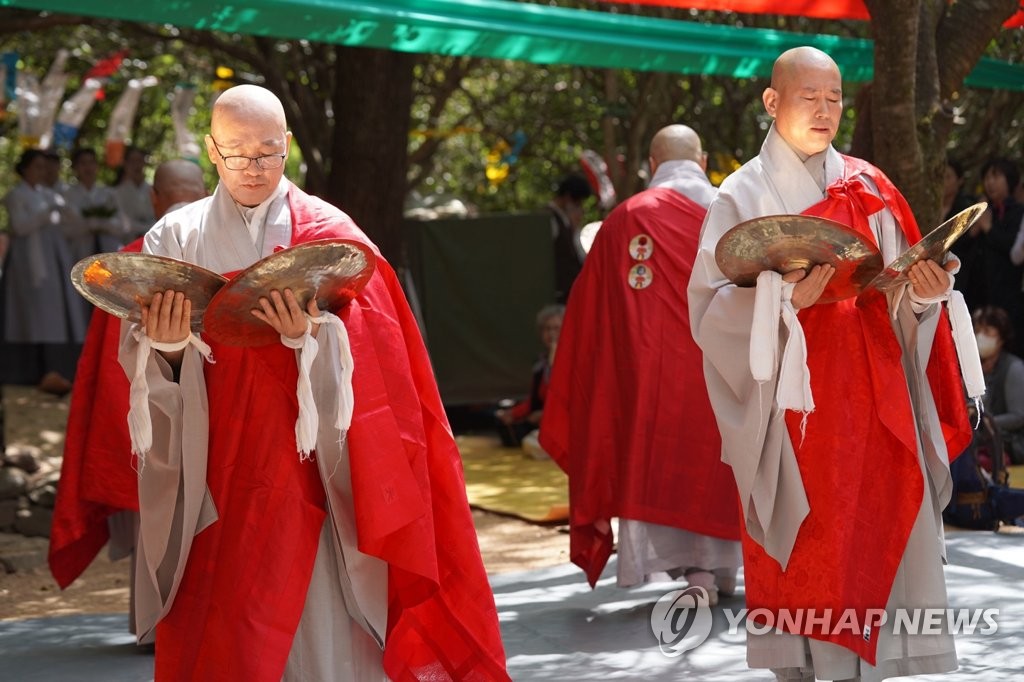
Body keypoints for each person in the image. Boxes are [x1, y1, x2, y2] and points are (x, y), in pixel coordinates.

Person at [117, 85, 508, 681]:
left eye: (269, 152)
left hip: (317, 470)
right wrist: (167, 347)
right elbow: (143, 358)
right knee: (233, 629)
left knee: (327, 635)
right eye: (238, 151)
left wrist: (314, 341)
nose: (254, 167)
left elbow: (384, 360)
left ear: (289, 148)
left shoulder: (329, 233)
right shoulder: (175, 238)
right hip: (219, 464)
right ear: (212, 152)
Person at [687, 47, 974, 681]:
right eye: (808, 98)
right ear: (772, 101)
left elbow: (902, 287)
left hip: (873, 400)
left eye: (835, 99)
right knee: (812, 556)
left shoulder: (869, 187)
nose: (824, 112)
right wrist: (782, 299)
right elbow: (709, 313)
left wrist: (926, 295)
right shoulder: (741, 194)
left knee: (875, 535)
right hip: (794, 413)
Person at [540, 124, 741, 600]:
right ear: (704, 160)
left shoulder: (626, 219)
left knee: (664, 463)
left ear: (653, 164)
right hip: (726, 374)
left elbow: (589, 316)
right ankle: (721, 569)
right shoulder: (735, 212)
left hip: (651, 380)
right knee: (722, 462)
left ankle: (696, 572)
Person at [48, 159, 209, 629]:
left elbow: (104, 368)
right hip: (201, 409)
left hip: (144, 411)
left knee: (153, 512)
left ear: (155, 199)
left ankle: (154, 626)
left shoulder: (122, 264)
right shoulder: (219, 260)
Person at [0, 148, 86, 395]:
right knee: (28, 314)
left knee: (50, 315)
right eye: (37, 167)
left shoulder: (48, 194)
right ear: (25, 169)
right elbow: (20, 225)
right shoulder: (17, 195)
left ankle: (52, 369)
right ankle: (26, 370)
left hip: (51, 261)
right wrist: (47, 211)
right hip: (27, 262)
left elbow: (71, 223)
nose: (43, 172)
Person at [495, 303, 562, 453]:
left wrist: (546, 415)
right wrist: (512, 414)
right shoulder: (541, 364)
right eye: (547, 329)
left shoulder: (575, 361)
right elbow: (533, 401)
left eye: (556, 328)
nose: (551, 334)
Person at [973, 305, 1024, 465]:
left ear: (1001, 337)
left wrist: (988, 422)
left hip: (1010, 443)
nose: (981, 336)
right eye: (978, 330)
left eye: (987, 332)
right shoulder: (973, 368)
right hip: (982, 439)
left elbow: (1018, 416)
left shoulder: (1014, 368)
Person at [64, 147, 127, 261]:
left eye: (91, 162)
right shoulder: (68, 195)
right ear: (75, 167)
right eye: (83, 163)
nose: (88, 168)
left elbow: (123, 226)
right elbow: (65, 230)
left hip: (109, 251)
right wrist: (87, 225)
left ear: (97, 166)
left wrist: (104, 224)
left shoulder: (109, 194)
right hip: (79, 253)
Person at [549, 173, 594, 303]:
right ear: (568, 198)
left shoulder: (566, 221)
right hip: (560, 293)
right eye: (577, 202)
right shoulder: (551, 219)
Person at [113, 146, 157, 241]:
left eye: (139, 160)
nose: (136, 165)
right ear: (125, 164)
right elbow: (123, 223)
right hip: (127, 241)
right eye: (132, 161)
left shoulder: (153, 189)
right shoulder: (117, 192)